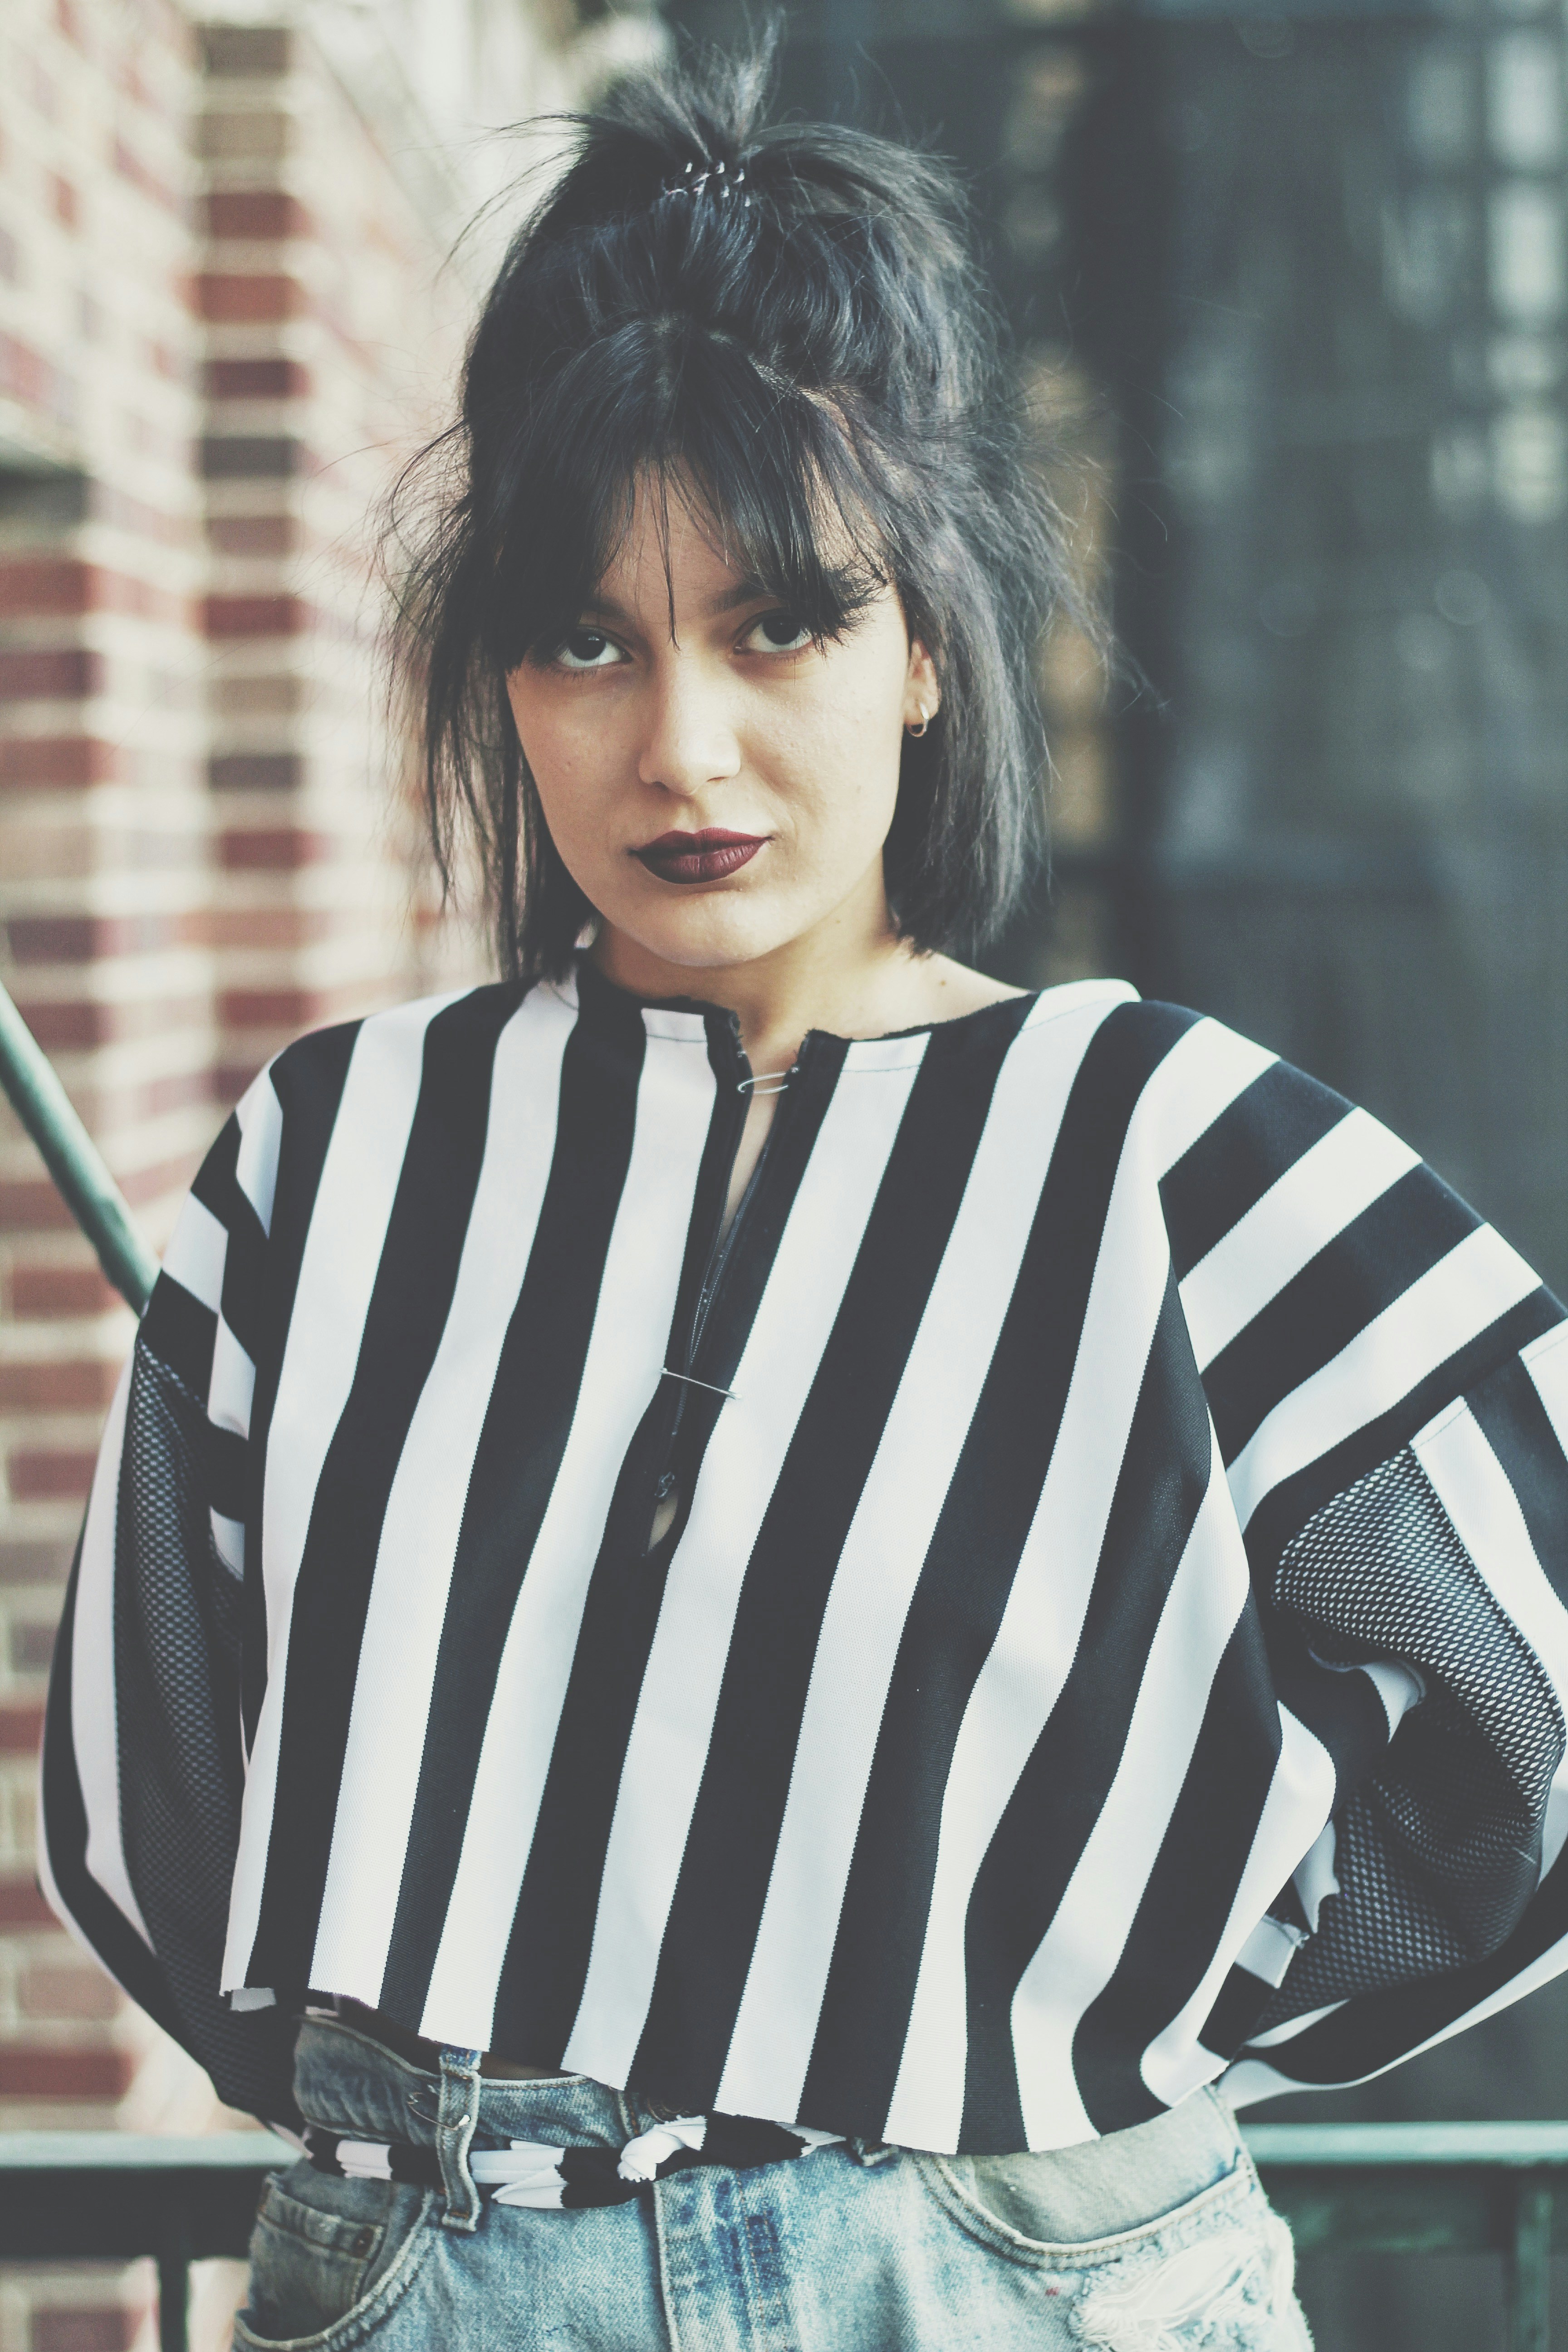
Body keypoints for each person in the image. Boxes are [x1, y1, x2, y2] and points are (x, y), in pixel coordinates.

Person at [38, 38, 1568, 2352]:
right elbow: (155, 1787)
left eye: (785, 625)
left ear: (928, 642)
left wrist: (1082, 2025)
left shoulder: (1168, 1150)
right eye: (589, 640)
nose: (685, 746)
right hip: (432, 2277)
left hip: (1004, 2275)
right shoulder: (336, 1156)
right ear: (500, 678)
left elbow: (1521, 1714)